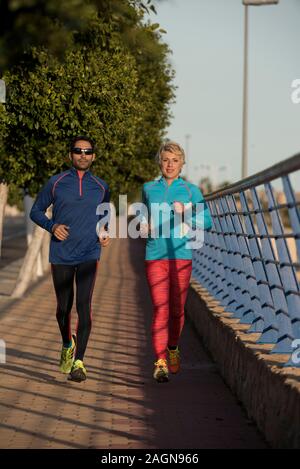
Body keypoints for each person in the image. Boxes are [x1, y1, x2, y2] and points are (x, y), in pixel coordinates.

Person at [30, 136, 110, 382]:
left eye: (87, 151)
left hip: (89, 253)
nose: (83, 155)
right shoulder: (56, 183)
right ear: (70, 155)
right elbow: (35, 211)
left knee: (83, 305)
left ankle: (79, 362)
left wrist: (104, 232)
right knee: (63, 309)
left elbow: (104, 214)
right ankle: (67, 343)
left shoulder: (102, 186)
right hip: (61, 253)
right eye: (78, 151)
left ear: (94, 156)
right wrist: (52, 227)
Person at [140, 141, 212, 383]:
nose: (170, 164)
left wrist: (185, 214)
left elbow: (207, 223)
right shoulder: (149, 188)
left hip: (182, 256)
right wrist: (143, 226)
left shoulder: (192, 191)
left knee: (177, 310)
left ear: (182, 164)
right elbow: (142, 216)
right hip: (155, 255)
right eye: (166, 159)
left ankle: (172, 348)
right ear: (159, 162)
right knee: (161, 308)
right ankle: (160, 361)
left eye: (175, 160)